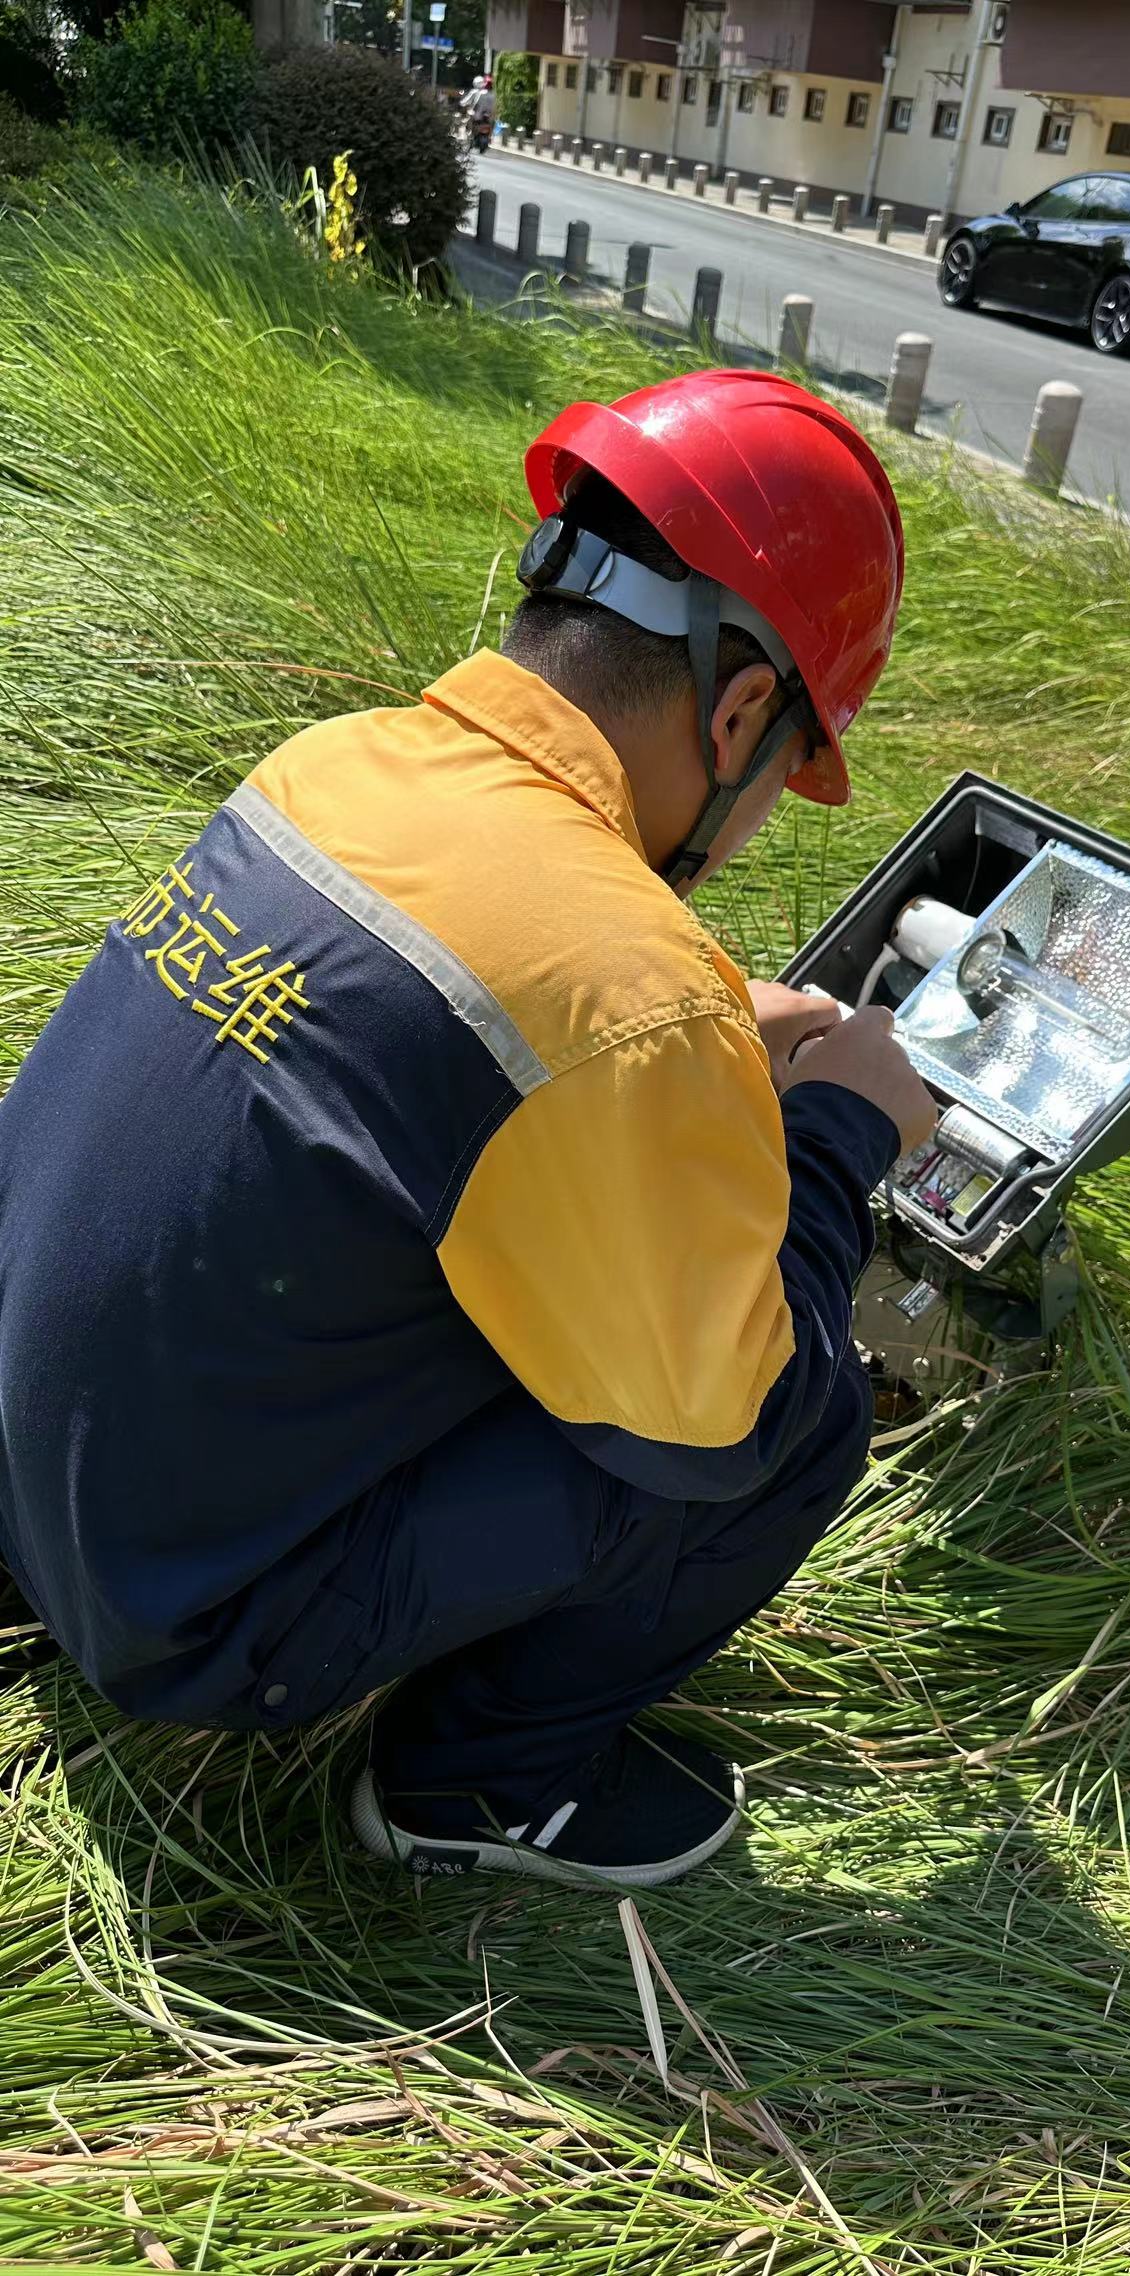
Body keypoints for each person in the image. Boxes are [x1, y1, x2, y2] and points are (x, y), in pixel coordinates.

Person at [0, 370, 936, 1889]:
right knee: (798, 1408)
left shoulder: (338, 764)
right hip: (181, 1618)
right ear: (741, 712)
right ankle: (481, 1792)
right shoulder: (626, 993)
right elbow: (728, 1422)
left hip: (27, 1464)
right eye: (783, 775)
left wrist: (691, 1036)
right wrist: (841, 1130)